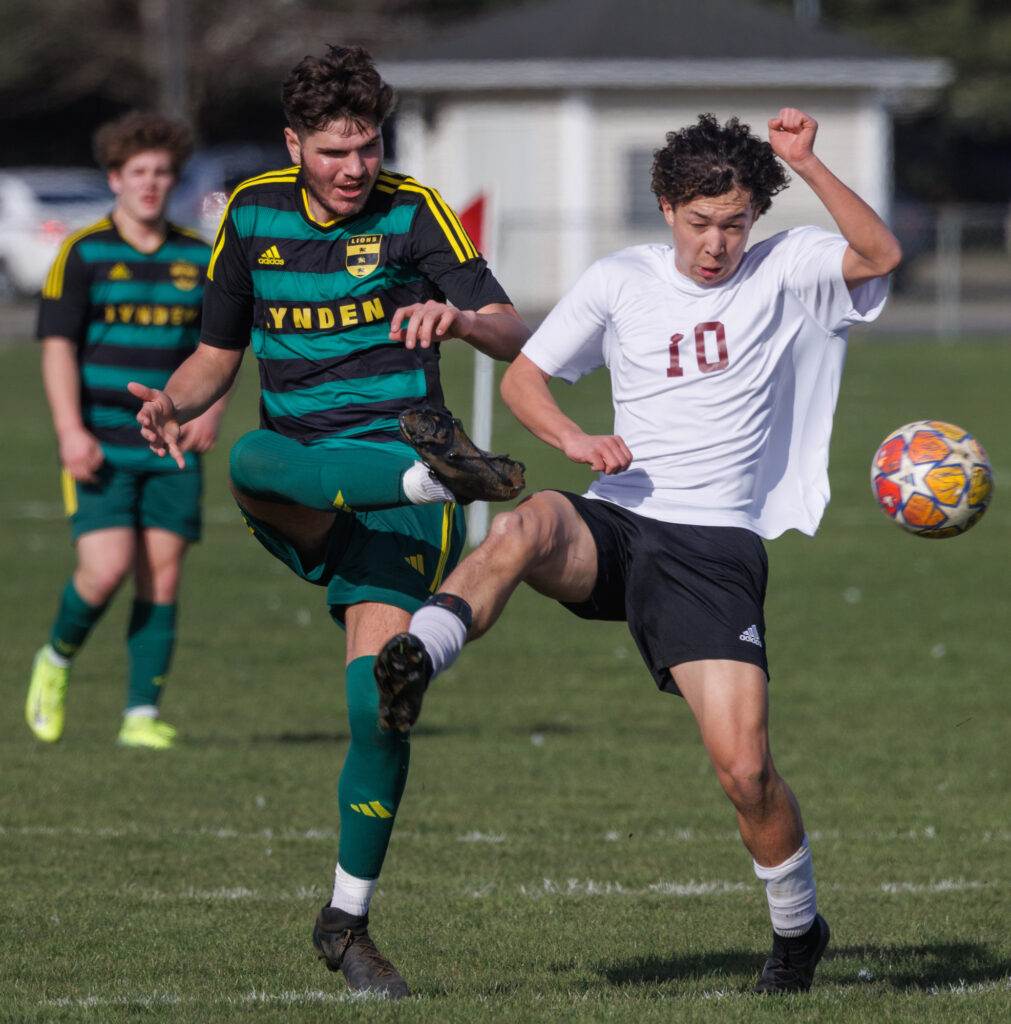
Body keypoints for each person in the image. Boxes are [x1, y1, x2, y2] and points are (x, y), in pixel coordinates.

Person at [375, 108, 903, 995]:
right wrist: (575, 440)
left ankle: (796, 932)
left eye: (733, 223)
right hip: (617, 520)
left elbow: (880, 255)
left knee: (745, 772)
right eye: (699, 223)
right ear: (665, 208)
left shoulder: (790, 266)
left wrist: (807, 165)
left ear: (754, 218)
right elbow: (525, 378)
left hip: (713, 548)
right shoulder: (619, 280)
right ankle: (418, 653)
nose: (715, 244)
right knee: (528, 522)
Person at [129, 45, 529, 1000]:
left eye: (368, 147)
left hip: (394, 510)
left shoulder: (412, 212)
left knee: (374, 705)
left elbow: (515, 330)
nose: (355, 168)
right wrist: (171, 406)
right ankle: (436, 479)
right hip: (318, 484)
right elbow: (214, 359)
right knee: (251, 459)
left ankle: (344, 923)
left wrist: (457, 319)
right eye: (335, 151)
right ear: (293, 145)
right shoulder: (252, 212)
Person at [26, 111, 229, 751]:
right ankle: (55, 662)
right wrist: (69, 431)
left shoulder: (200, 257)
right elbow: (58, 346)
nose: (151, 183)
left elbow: (220, 348)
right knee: (106, 570)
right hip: (101, 440)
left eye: (163, 172)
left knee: (161, 576)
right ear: (115, 177)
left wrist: (211, 411)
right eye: (138, 171)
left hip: (168, 445)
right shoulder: (83, 253)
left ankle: (141, 714)